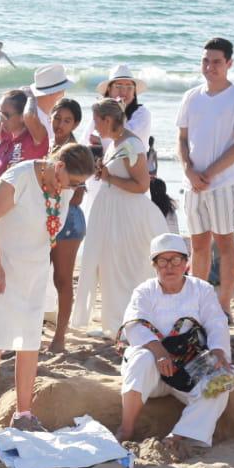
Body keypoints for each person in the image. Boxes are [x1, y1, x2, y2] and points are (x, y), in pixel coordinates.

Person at [0, 143, 95, 432]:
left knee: (29, 341)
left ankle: (23, 413)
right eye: (74, 181)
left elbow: (49, 231)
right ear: (59, 167)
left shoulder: (65, 188)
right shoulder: (20, 178)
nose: (76, 188)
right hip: (0, 268)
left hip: (32, 273)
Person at [115, 234, 234, 451]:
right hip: (152, 370)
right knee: (141, 356)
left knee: (220, 383)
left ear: (186, 263)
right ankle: (126, 428)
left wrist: (218, 351)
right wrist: (160, 352)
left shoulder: (202, 289)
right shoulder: (145, 290)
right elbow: (134, 325)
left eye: (176, 260)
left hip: (189, 364)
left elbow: (217, 323)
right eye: (163, 261)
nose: (169, 267)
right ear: (154, 265)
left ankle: (180, 435)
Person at [74, 98, 168, 337]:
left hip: (127, 216)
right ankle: (114, 322)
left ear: (108, 119)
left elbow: (141, 185)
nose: (95, 127)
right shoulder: (116, 143)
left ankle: (129, 324)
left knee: (125, 269)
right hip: (112, 212)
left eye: (97, 121)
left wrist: (108, 178)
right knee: (109, 268)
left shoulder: (131, 144)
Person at [176, 37, 234, 314]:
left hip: (223, 183)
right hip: (193, 183)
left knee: (224, 241)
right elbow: (182, 138)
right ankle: (199, 302)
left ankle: (223, 304)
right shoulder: (191, 96)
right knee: (198, 243)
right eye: (206, 60)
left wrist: (209, 172)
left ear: (229, 64)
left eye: (217, 62)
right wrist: (188, 169)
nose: (210, 66)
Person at [0, 64, 73, 191]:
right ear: (59, 92)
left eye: (4, 115)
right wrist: (6, 105)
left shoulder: (39, 121)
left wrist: (26, 99)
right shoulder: (13, 126)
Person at [48, 99, 86, 352]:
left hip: (68, 221)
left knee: (62, 279)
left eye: (67, 120)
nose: (60, 124)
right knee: (38, 277)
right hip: (47, 218)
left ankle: (60, 338)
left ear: (76, 124)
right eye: (57, 118)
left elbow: (79, 195)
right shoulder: (45, 144)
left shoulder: (75, 151)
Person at [94, 63, 153, 149]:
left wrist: (119, 111)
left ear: (134, 93)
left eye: (129, 87)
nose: (124, 91)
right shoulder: (100, 112)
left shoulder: (142, 113)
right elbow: (87, 139)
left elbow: (126, 140)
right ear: (109, 90)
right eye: (118, 86)